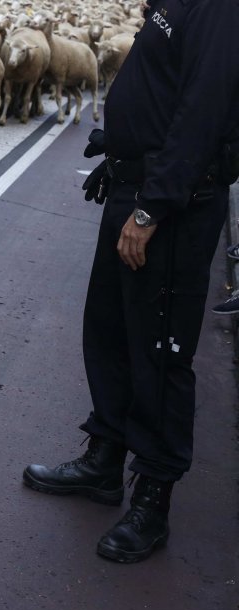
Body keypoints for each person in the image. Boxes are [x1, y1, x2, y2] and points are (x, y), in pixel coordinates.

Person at [22, 0, 239, 563]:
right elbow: (159, 92)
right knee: (111, 329)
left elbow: (201, 113)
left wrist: (152, 207)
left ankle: (154, 498)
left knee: (160, 349)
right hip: (134, 186)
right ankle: (104, 459)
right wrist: (119, 162)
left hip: (172, 211)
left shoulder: (218, 11)